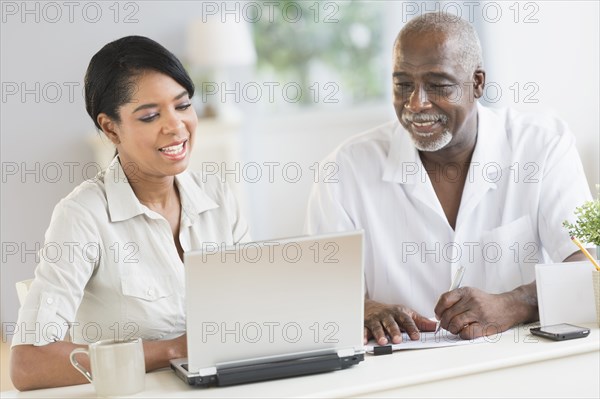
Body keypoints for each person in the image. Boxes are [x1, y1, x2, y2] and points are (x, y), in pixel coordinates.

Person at [305, 12, 592, 346]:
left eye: (437, 85)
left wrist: (515, 303)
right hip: (397, 375)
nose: (416, 103)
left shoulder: (542, 146)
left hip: (521, 365)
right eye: (403, 85)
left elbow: (588, 268)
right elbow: (318, 296)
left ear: (478, 83)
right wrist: (361, 308)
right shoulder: (343, 171)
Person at [10, 36, 249, 391]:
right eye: (151, 115)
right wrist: (171, 349)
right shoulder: (83, 215)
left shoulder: (219, 197)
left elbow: (251, 311)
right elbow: (29, 364)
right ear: (110, 128)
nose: (176, 126)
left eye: (182, 106)